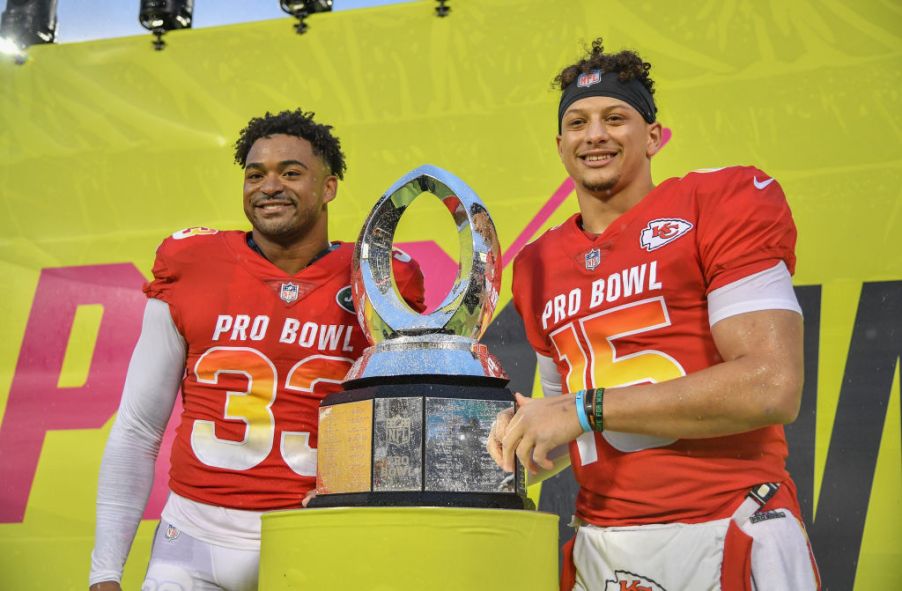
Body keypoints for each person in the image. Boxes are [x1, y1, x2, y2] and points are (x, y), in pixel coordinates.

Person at [488, 39, 820, 590]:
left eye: (615, 117)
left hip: (725, 524)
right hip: (603, 545)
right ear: (560, 143)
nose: (595, 134)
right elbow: (566, 429)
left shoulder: (716, 202)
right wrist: (520, 441)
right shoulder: (536, 264)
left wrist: (583, 408)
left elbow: (771, 385)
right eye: (578, 122)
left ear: (653, 136)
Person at [89, 109, 425, 591]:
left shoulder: (378, 278)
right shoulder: (193, 263)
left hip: (314, 538)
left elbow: (401, 432)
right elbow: (139, 427)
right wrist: (104, 573)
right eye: (255, 174)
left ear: (329, 187)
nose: (270, 186)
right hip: (192, 539)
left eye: (291, 172)